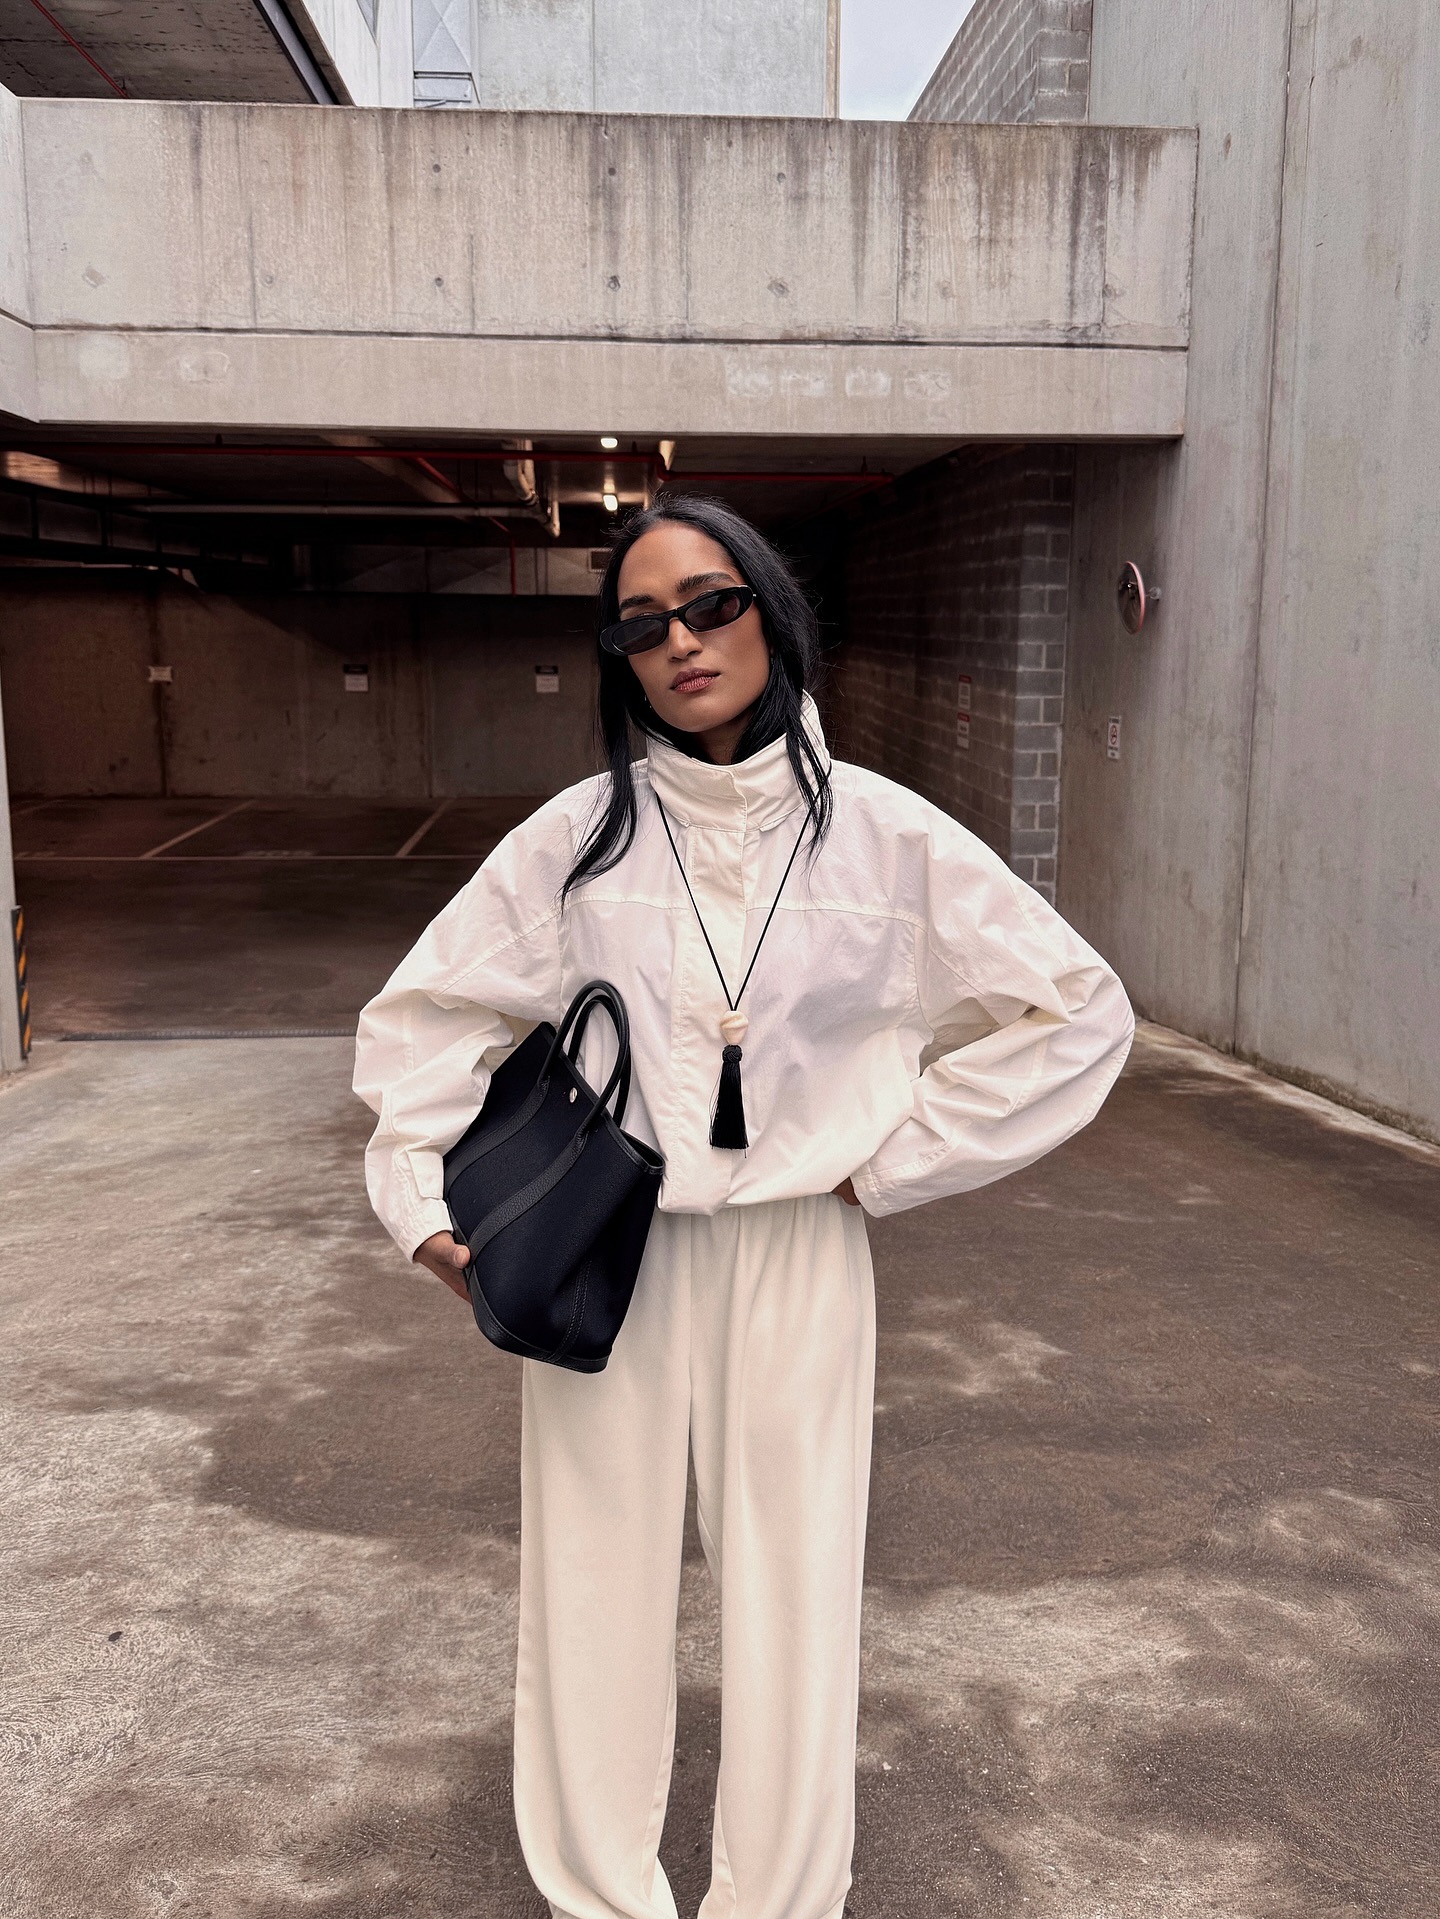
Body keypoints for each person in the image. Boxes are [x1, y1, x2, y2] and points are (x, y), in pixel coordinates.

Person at [354, 495, 1134, 1919]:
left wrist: (884, 1154)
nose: (680, 642)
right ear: (619, 660)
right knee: (590, 1590)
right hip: (610, 1256)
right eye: (641, 625)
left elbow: (1079, 1012)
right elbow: (425, 1017)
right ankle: (602, 1895)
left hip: (797, 1257)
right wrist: (422, 1209)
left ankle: (777, 1902)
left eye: (709, 603)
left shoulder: (891, 841)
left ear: (771, 608)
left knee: (795, 1597)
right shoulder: (577, 841)